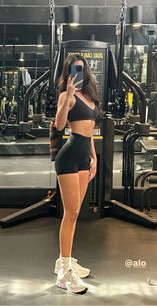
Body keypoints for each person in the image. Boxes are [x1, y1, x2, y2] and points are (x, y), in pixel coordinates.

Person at [54, 53, 99, 294]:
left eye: (81, 68)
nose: (78, 72)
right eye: (74, 68)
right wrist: (68, 96)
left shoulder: (90, 96)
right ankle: (63, 272)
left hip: (84, 156)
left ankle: (66, 261)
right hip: (69, 157)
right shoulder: (66, 95)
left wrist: (94, 156)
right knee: (70, 213)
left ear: (86, 70)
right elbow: (60, 125)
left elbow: (91, 131)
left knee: (76, 212)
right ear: (68, 71)